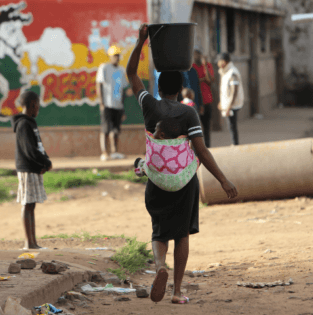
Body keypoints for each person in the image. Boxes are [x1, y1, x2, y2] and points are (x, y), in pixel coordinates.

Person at [126, 24, 238, 304]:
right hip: (184, 182)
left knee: (159, 230)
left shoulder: (149, 106)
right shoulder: (188, 115)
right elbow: (202, 151)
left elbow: (131, 73)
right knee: (182, 234)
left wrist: (141, 42)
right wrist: (223, 180)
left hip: (156, 179)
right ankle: (176, 292)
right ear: (180, 89)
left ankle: (159, 266)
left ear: (160, 87)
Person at [11, 91, 52, 250]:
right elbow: (30, 150)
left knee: (31, 204)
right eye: (38, 104)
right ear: (33, 104)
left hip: (34, 168)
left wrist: (45, 162)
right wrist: (44, 163)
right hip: (28, 169)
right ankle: (28, 243)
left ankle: (33, 242)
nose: (38, 108)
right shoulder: (23, 125)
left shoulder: (30, 123)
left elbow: (38, 146)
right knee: (27, 203)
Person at [96, 45, 133, 161]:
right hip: (107, 104)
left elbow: (124, 88)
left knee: (116, 130)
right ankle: (104, 153)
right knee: (105, 130)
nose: (117, 58)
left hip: (118, 105)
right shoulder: (104, 67)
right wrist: (101, 103)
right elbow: (99, 84)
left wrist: (123, 105)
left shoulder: (121, 70)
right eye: (114, 55)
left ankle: (114, 152)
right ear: (110, 56)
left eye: (118, 55)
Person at [217, 52, 244, 146]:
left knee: (232, 125)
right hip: (229, 103)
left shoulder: (232, 72)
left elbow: (234, 91)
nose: (218, 64)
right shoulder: (226, 72)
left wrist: (229, 105)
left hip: (233, 104)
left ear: (224, 62)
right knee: (231, 125)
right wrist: (222, 102)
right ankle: (235, 143)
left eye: (219, 61)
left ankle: (235, 144)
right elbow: (225, 90)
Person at [193, 50, 215, 148]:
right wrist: (202, 80)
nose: (197, 57)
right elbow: (194, 81)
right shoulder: (192, 67)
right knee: (196, 128)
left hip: (207, 101)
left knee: (206, 127)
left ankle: (208, 146)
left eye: (198, 55)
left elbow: (210, 80)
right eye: (195, 55)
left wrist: (205, 66)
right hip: (196, 102)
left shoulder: (207, 65)